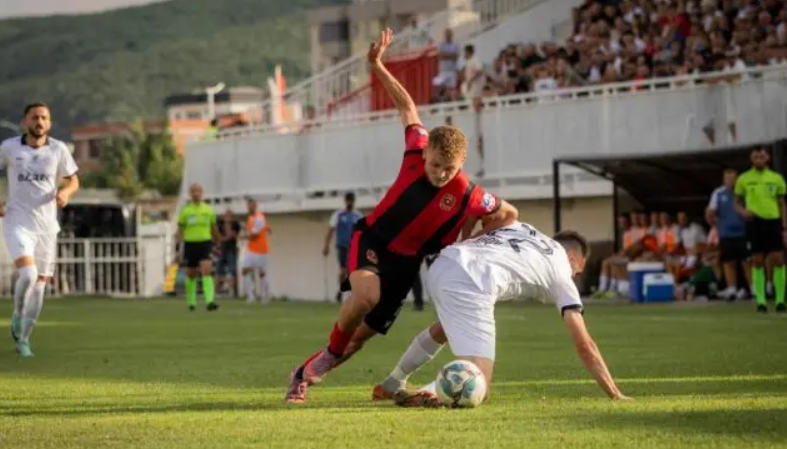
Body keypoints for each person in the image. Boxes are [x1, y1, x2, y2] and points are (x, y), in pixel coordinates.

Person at [285, 28, 518, 404]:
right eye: (437, 165)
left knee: (361, 338)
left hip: (407, 267)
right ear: (427, 155)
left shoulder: (469, 193)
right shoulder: (415, 150)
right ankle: (327, 355)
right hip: (373, 239)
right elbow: (407, 105)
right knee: (365, 297)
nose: (442, 173)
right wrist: (376, 64)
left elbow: (508, 213)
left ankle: (303, 373)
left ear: (461, 164)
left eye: (450, 168)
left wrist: (471, 236)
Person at [374, 223, 629, 406]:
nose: (575, 276)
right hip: (472, 280)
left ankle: (394, 381)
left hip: (445, 262)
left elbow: (492, 223)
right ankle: (429, 392)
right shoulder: (561, 271)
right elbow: (584, 344)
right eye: (578, 271)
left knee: (445, 327)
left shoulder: (522, 228)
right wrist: (614, 393)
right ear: (573, 258)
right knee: (479, 385)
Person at [1, 102, 80, 357]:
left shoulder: (58, 149)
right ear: (25, 121)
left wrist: (66, 192)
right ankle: (17, 314)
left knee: (40, 285)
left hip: (46, 226)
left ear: (50, 123)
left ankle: (24, 339)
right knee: (28, 274)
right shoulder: (10, 148)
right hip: (18, 221)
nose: (40, 122)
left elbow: (73, 179)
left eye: (44, 118)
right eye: (35, 117)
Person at [735, 148, 787, 314]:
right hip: (754, 223)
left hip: (773, 221)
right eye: (756, 156)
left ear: (767, 158)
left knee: (778, 259)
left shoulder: (776, 178)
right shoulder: (743, 178)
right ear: (751, 158)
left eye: (762, 156)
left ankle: (780, 300)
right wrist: (743, 212)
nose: (759, 159)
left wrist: (784, 227)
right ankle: (761, 301)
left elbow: (781, 203)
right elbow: (736, 202)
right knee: (757, 260)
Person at [707, 169, 750, 300]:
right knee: (728, 262)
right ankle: (731, 288)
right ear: (724, 180)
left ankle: (753, 288)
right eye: (727, 178)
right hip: (726, 234)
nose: (730, 181)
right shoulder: (718, 193)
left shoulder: (744, 192)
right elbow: (711, 211)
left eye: (733, 178)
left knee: (747, 261)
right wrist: (715, 224)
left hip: (743, 233)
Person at [176, 183, 220, 312]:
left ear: (202, 193)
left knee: (207, 269)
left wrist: (217, 240)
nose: (196, 193)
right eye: (193, 191)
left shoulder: (208, 210)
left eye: (198, 191)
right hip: (190, 243)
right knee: (191, 274)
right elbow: (180, 229)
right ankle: (191, 302)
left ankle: (210, 301)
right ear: (190, 193)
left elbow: (213, 227)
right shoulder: (185, 210)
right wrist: (178, 247)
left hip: (205, 243)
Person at [323, 192, 363, 303]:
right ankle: (340, 292)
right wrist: (326, 245)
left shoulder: (358, 216)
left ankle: (353, 293)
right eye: (348, 200)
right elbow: (331, 230)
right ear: (345, 201)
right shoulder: (338, 215)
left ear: (354, 201)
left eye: (351, 200)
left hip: (354, 247)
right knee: (343, 271)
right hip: (342, 246)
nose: (350, 202)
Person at [242, 197, 271, 303]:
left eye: (251, 204)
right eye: (248, 204)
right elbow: (264, 227)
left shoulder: (259, 217)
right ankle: (251, 295)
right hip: (251, 249)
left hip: (261, 250)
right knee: (245, 271)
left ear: (255, 205)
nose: (249, 206)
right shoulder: (250, 218)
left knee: (261, 273)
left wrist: (242, 236)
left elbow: (253, 235)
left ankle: (266, 295)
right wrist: (267, 228)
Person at [216, 209, 241, 296]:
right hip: (222, 250)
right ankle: (218, 290)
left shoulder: (236, 224)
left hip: (231, 249)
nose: (227, 217)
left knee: (233, 270)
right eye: (226, 215)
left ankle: (234, 291)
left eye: (229, 215)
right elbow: (216, 234)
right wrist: (219, 241)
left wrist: (222, 239)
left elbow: (232, 235)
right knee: (218, 270)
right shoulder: (220, 224)